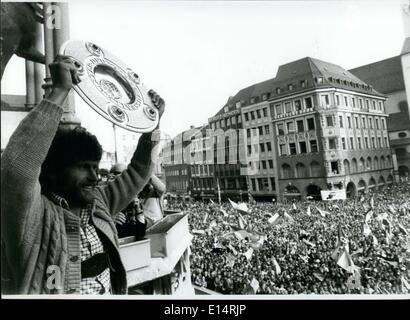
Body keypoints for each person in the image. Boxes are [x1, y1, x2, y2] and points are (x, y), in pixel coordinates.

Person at [1, 55, 165, 294]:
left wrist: (153, 125)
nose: (94, 176)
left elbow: (139, 170)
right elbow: (17, 170)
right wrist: (58, 92)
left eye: (95, 167)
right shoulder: (32, 215)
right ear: (54, 172)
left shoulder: (99, 202)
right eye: (84, 167)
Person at [110, 163, 147, 240]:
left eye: (127, 173)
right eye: (120, 173)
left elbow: (140, 232)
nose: (125, 176)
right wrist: (109, 220)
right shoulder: (105, 198)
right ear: (112, 176)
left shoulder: (132, 199)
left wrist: (139, 213)